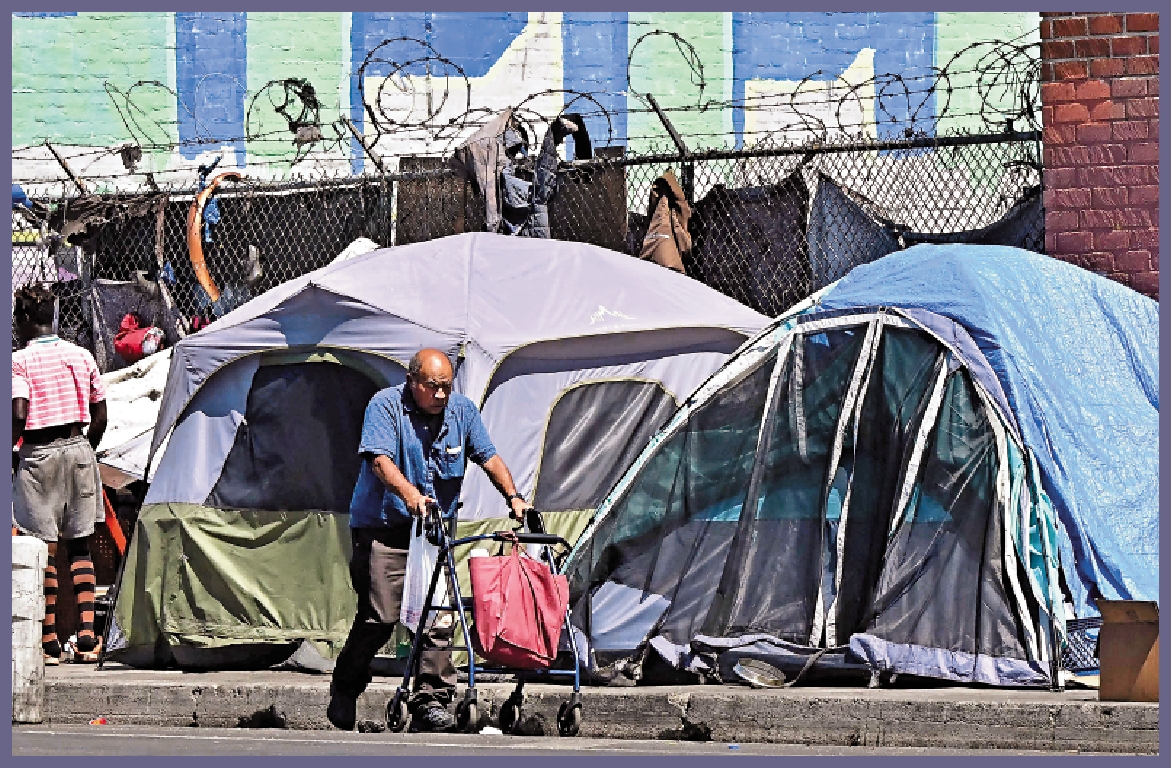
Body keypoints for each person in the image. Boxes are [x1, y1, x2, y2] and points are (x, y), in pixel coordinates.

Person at [328, 348, 533, 732]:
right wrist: (410, 497)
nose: (440, 395)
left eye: (446, 387)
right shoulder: (385, 406)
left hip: (436, 531)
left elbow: (488, 456)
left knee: (438, 615)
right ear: (413, 381)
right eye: (433, 387)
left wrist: (514, 497)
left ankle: (432, 702)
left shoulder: (462, 411)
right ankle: (346, 685)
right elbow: (379, 460)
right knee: (380, 617)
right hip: (384, 528)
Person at [11, 283, 108, 664]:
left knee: (44, 548)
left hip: (39, 455)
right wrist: (85, 450)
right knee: (80, 544)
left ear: (21, 320)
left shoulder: (19, 362)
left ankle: (49, 642)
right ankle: (86, 637)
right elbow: (99, 412)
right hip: (79, 448)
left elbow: (19, 412)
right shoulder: (81, 356)